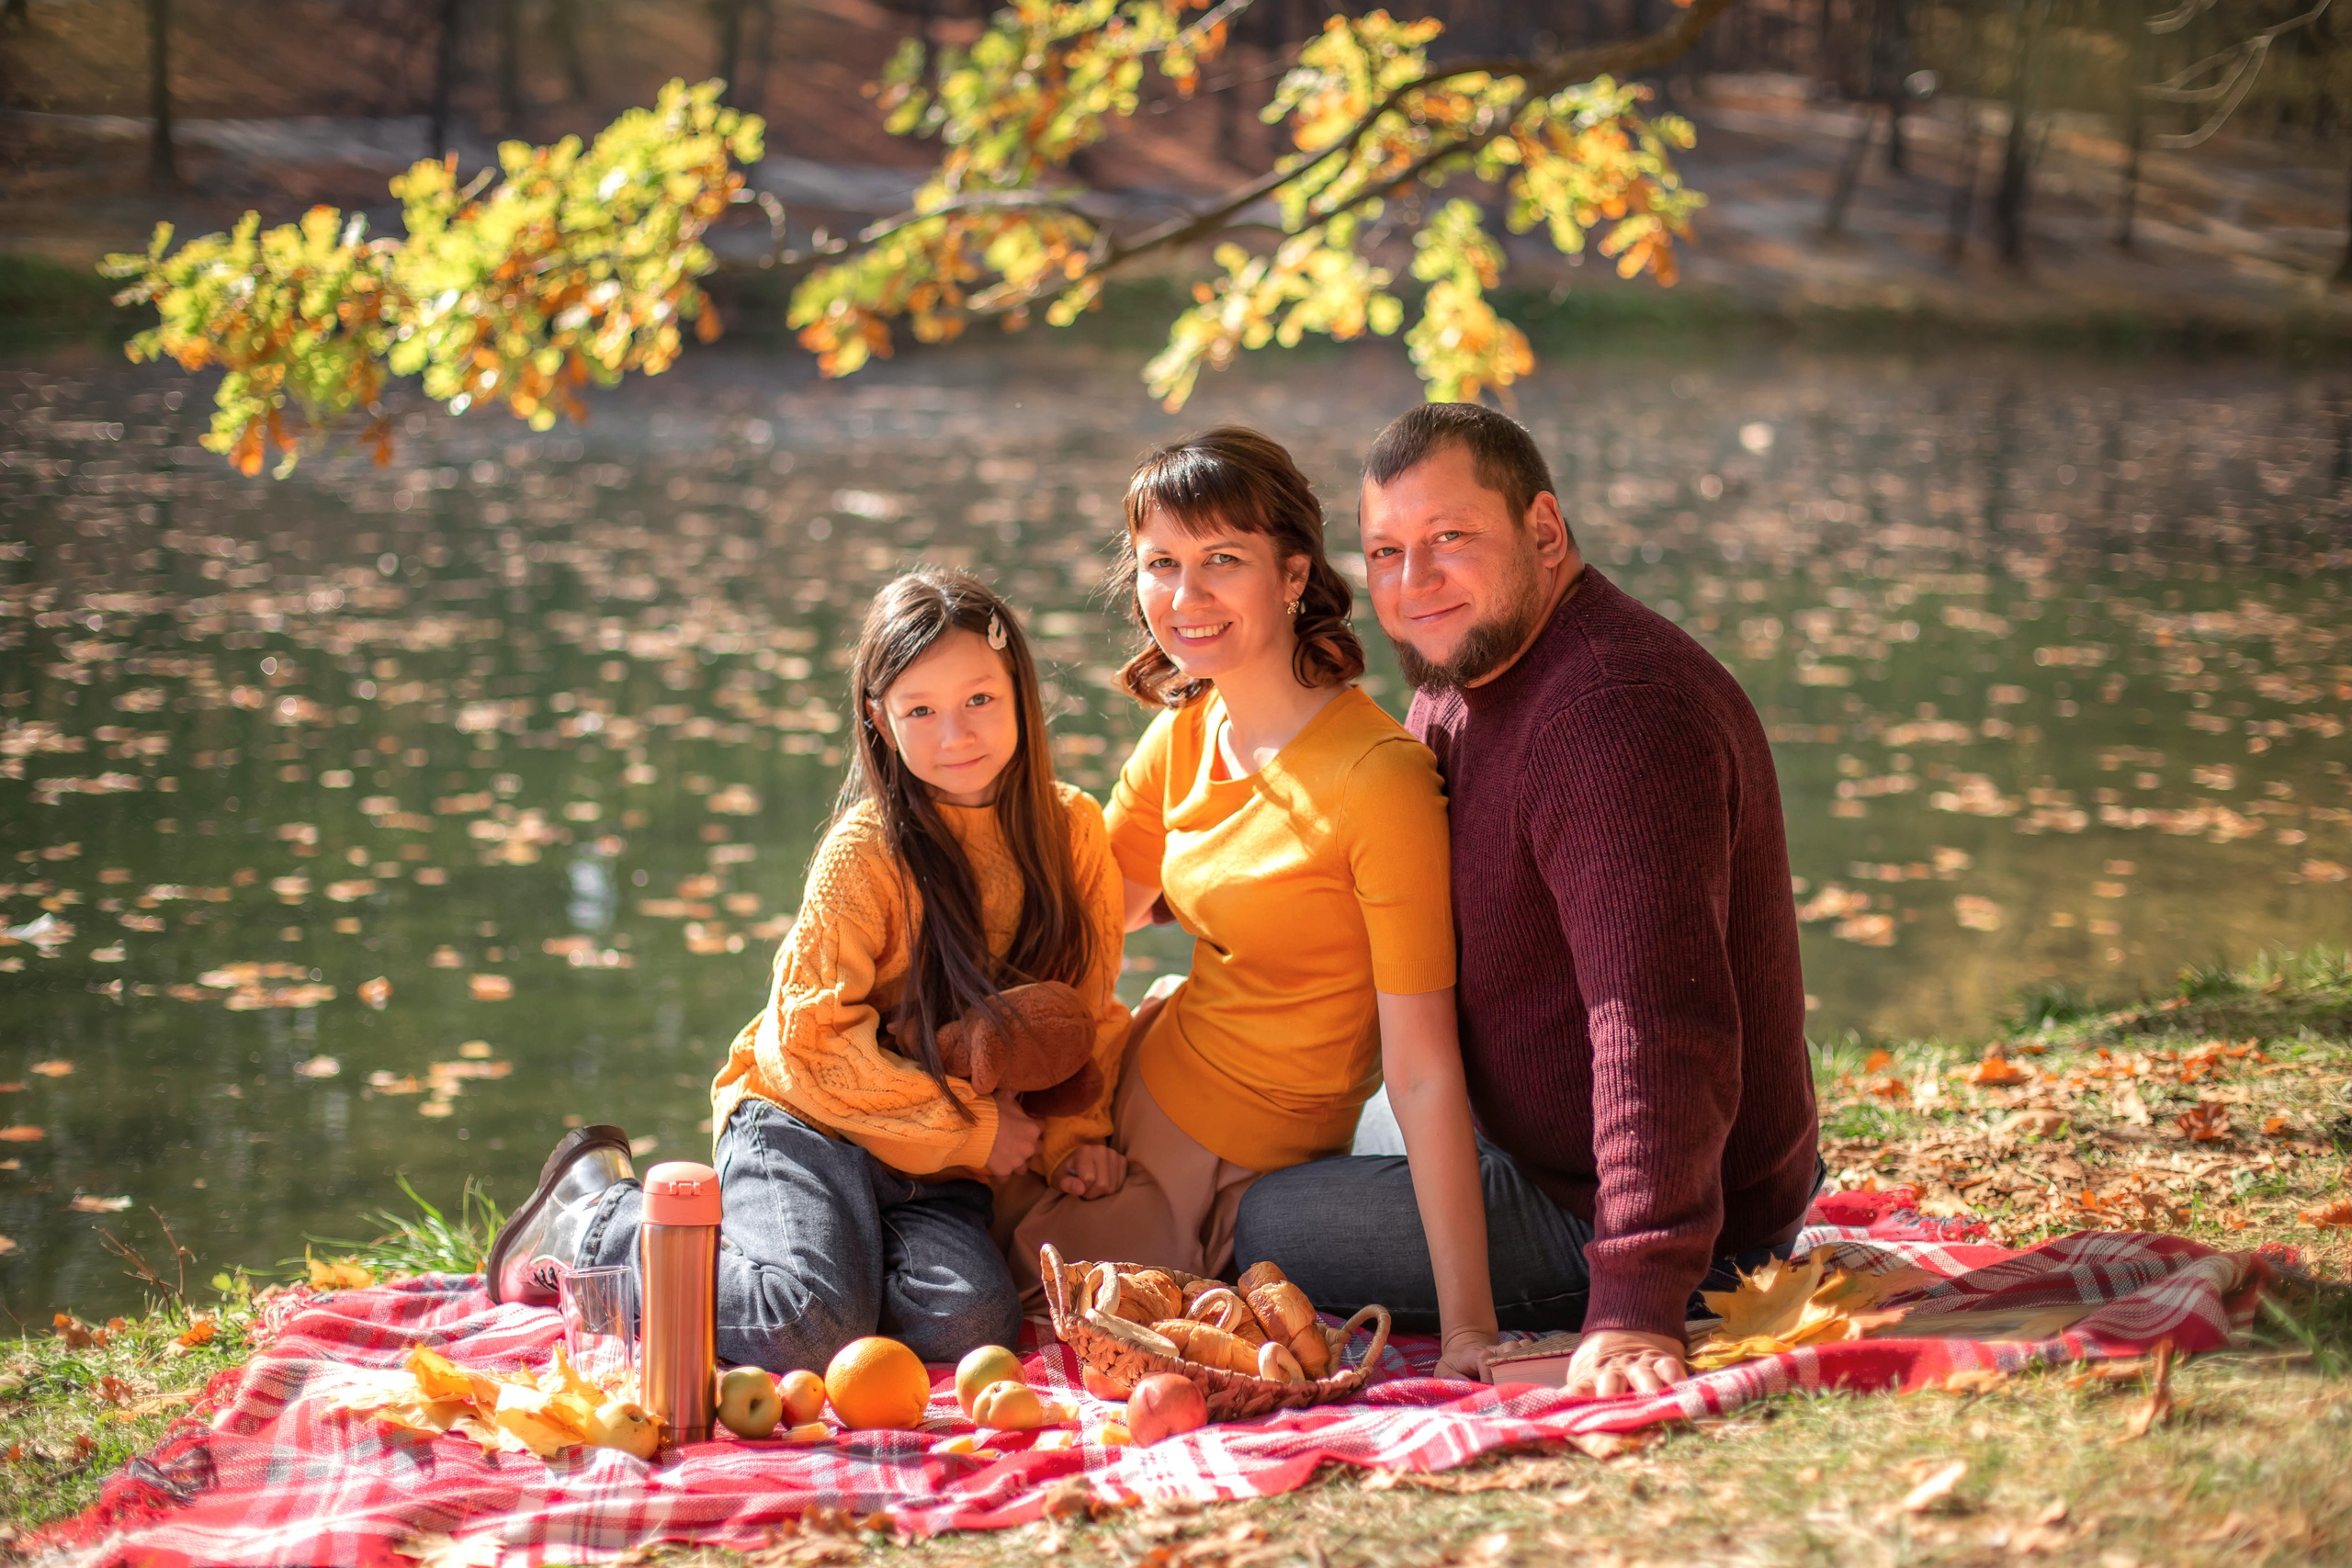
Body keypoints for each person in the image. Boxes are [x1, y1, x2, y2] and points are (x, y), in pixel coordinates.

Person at [1233, 403, 1821, 1397]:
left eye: (1447, 540)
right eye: (1383, 552)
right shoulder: (1465, 677)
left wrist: (1635, 1300)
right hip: (1513, 1135)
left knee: (1260, 1221)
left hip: (1620, 1209)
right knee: (1274, 1129)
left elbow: (1661, 1025)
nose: (1412, 584)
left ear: (1544, 533)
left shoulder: (1611, 718)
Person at [485, 570, 1131, 1371]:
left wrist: (1073, 1138)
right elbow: (813, 1042)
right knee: (803, 1324)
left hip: (934, 1161)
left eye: (980, 700)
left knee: (969, 1325)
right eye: (919, 710)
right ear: (880, 719)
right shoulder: (867, 851)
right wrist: (975, 1128)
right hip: (807, 1118)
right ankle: (596, 1217)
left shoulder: (1073, 832)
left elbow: (1085, 1006)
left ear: (1021, 693)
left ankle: (805, 1262)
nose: (955, 734)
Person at [1013, 425, 1501, 1382]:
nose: (1185, 598)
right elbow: (1082, 937)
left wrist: (1468, 1328)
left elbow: (1423, 1071)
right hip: (1127, 1103)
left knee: (1036, 1309)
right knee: (945, 1221)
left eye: (1221, 561)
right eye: (1160, 564)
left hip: (1243, 1168)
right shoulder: (1184, 733)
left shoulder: (1379, 782)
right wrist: (1065, 1120)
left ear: (1290, 575)